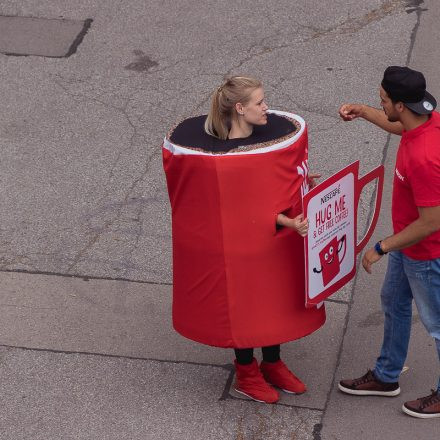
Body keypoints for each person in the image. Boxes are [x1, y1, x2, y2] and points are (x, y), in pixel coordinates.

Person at [337, 66, 440, 418]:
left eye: (382, 100)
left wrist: (382, 246)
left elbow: (431, 222)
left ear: (400, 105)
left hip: (426, 254)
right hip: (407, 248)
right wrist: (365, 112)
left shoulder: (423, 158)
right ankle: (386, 377)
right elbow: (400, 127)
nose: (379, 103)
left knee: (437, 324)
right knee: (393, 302)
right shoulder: (426, 122)